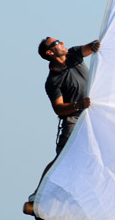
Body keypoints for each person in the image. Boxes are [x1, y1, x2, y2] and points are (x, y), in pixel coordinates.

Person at [23, 37, 100, 219]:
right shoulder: (53, 80)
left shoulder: (73, 54)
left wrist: (97, 44)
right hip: (73, 120)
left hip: (92, 117)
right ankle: (37, 197)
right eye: (57, 42)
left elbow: (91, 47)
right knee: (63, 160)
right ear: (50, 52)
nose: (62, 42)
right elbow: (58, 108)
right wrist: (78, 104)